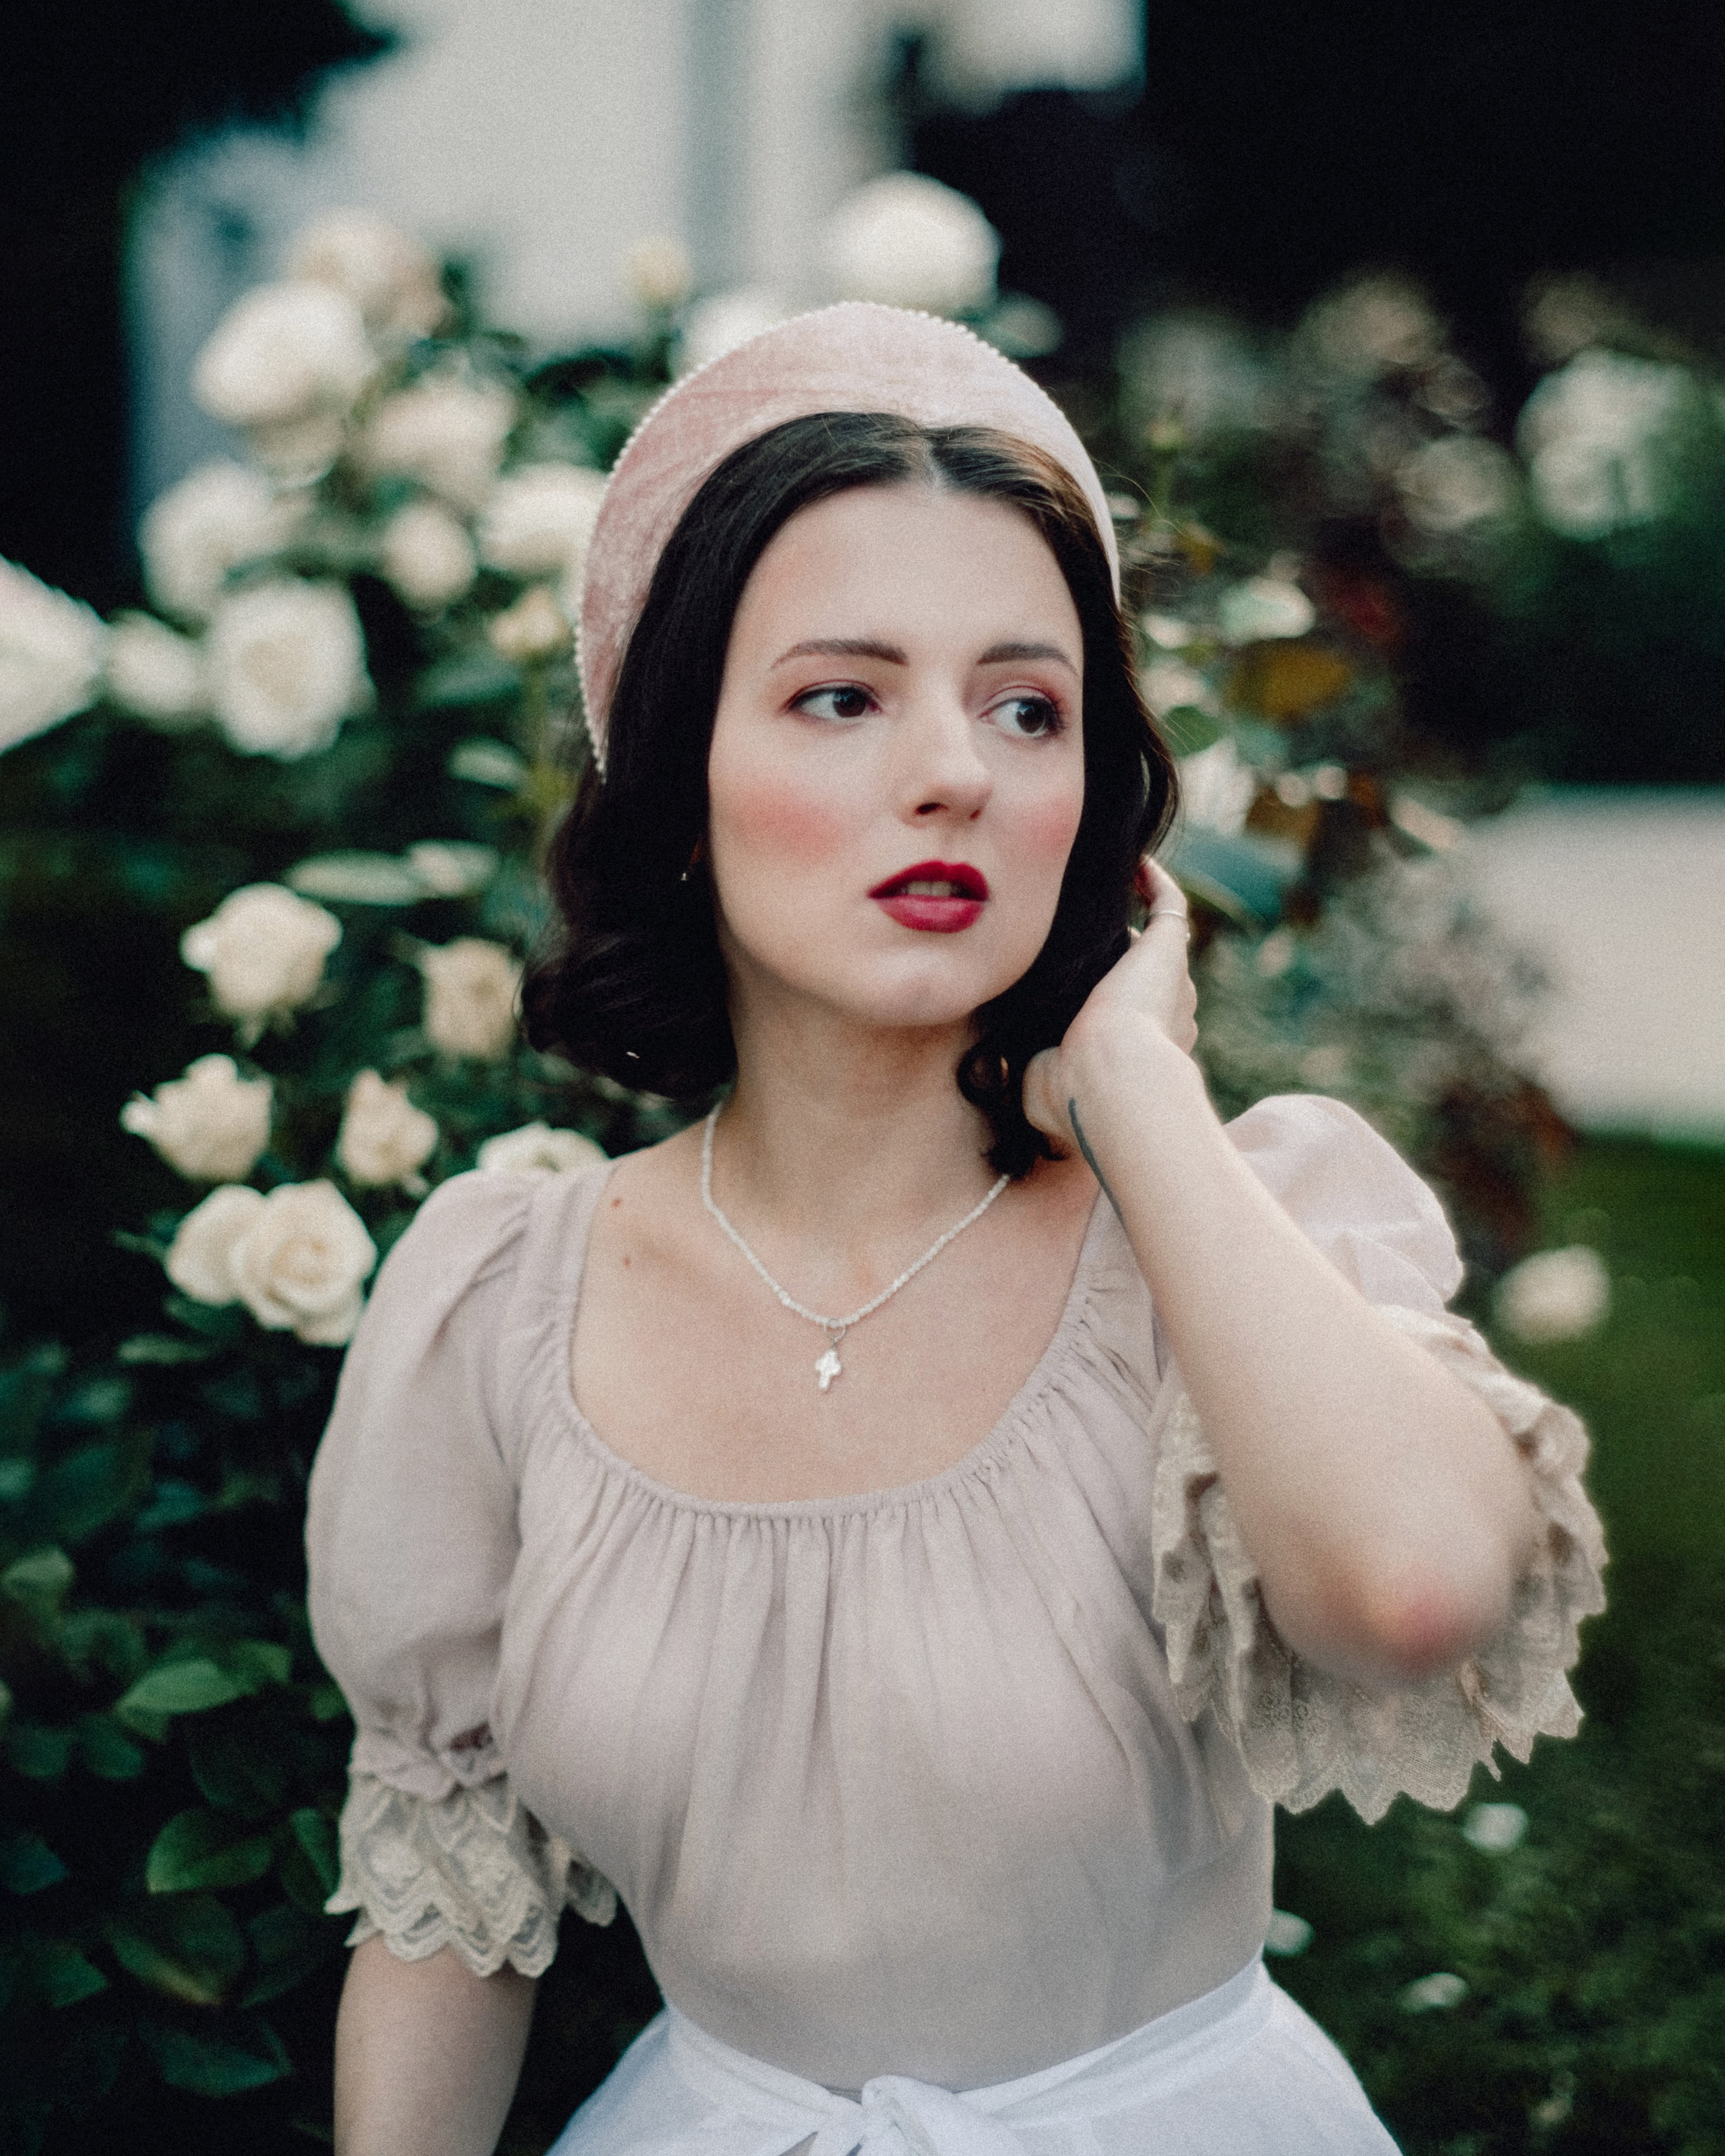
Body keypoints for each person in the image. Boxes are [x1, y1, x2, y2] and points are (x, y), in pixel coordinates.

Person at [307, 305, 1605, 2156]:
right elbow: (450, 1913)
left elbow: (1415, 1595)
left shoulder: (1225, 1235)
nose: (958, 774)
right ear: (679, 788)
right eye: (843, 695)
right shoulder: (503, 1303)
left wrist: (1143, 1098)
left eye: (1028, 706)